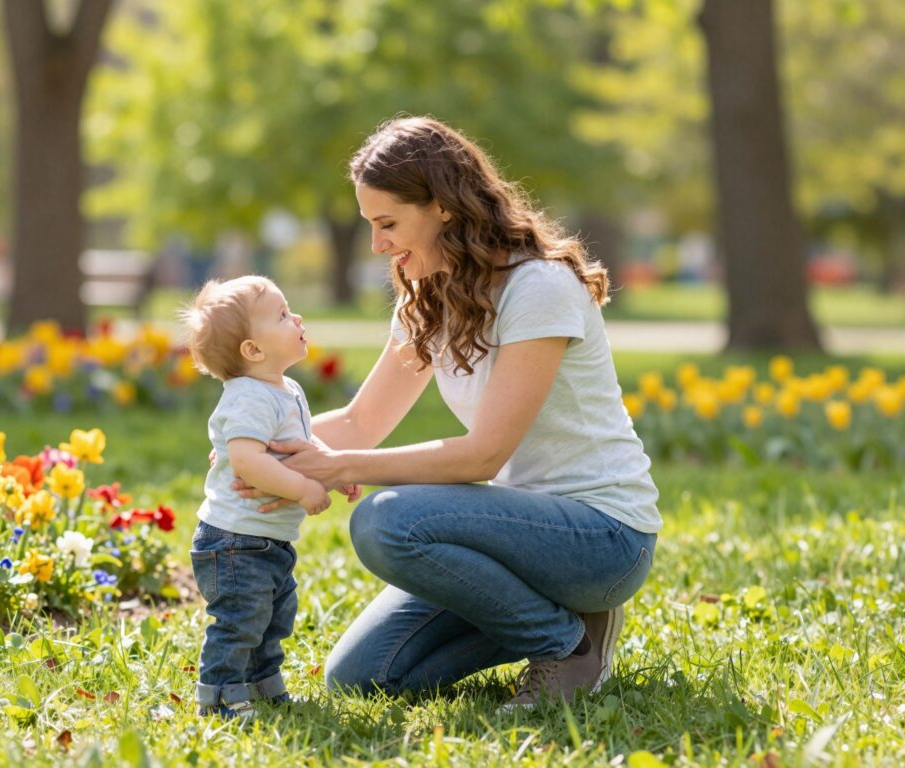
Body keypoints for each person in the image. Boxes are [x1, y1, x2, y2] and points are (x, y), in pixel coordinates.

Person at [236, 116, 662, 708]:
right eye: (371, 225)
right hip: (511, 537)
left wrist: (338, 467)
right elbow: (361, 423)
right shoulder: (429, 297)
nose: (377, 245)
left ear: (442, 206)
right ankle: (557, 616)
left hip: (602, 538)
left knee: (386, 521)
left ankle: (567, 649)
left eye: (388, 224)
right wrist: (252, 448)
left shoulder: (538, 286)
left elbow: (484, 455)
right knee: (362, 678)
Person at [179, 275, 361, 718]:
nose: (296, 317)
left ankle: (263, 685)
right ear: (253, 350)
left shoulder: (285, 389)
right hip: (235, 541)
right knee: (240, 623)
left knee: (273, 618)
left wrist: (335, 469)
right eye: (281, 315)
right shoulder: (249, 398)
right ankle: (219, 696)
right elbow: (247, 461)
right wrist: (302, 488)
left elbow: (300, 443)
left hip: (265, 540)